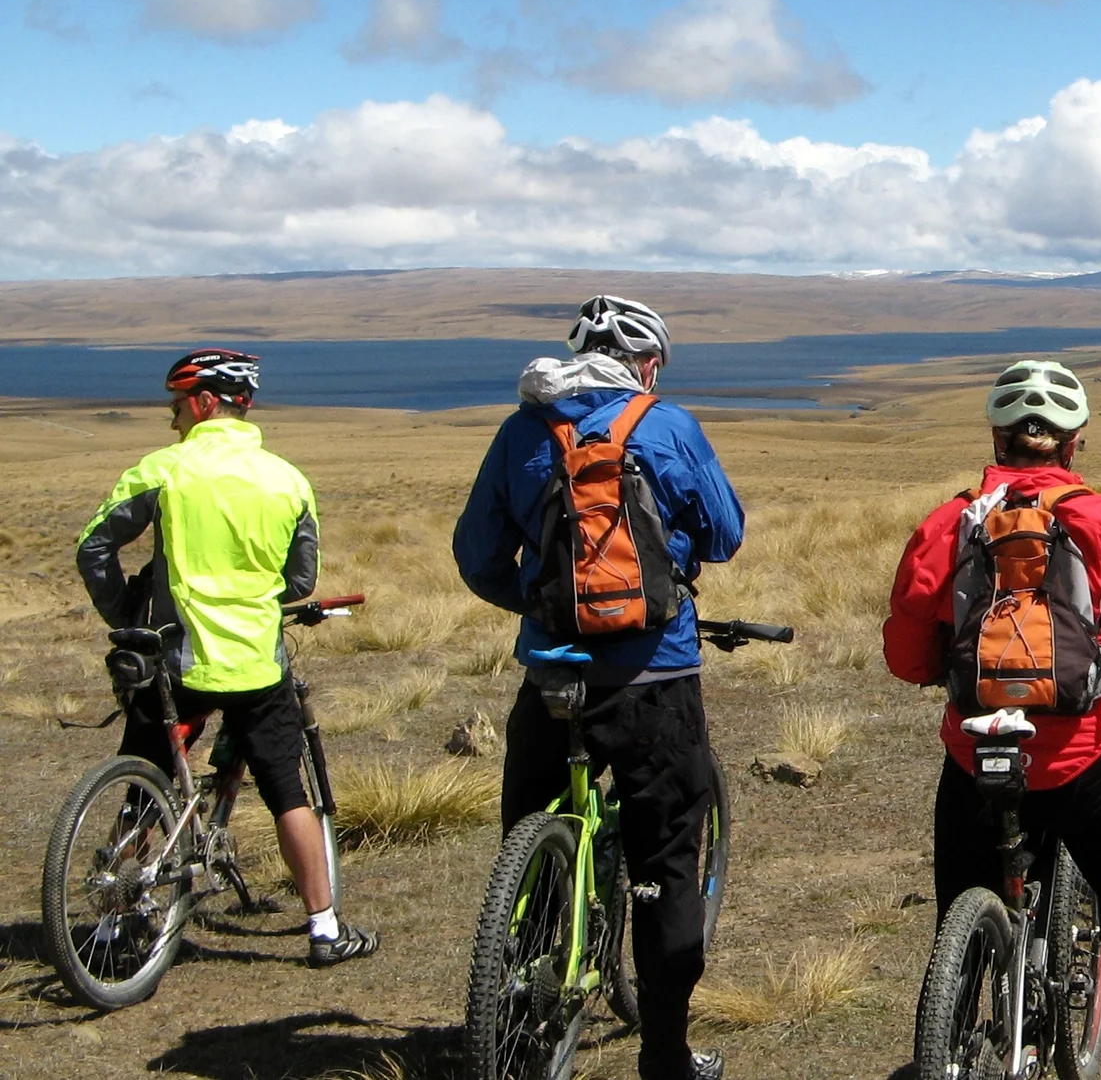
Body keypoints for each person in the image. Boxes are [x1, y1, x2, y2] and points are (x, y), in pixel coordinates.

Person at [884, 360, 1101, 1080]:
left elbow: (908, 654)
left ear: (998, 438)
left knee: (960, 935)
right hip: (1084, 758)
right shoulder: (1098, 516)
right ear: (1071, 444)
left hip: (978, 759)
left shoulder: (950, 520)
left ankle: (953, 1047)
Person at [453, 296, 746, 1080]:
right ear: (646, 364)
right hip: (655, 677)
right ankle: (665, 1056)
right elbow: (725, 533)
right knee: (666, 868)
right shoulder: (668, 425)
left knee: (531, 850)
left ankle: (518, 1018)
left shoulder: (522, 429)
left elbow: (477, 554)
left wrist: (546, 607)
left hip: (549, 676)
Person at [76, 348, 381, 967]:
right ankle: (324, 929)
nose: (172, 417)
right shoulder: (288, 480)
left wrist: (127, 617)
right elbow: (300, 582)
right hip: (256, 663)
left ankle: (111, 920)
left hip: (173, 659)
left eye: (178, 404)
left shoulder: (163, 471)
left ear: (206, 402)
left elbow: (94, 548)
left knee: (146, 784)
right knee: (288, 792)